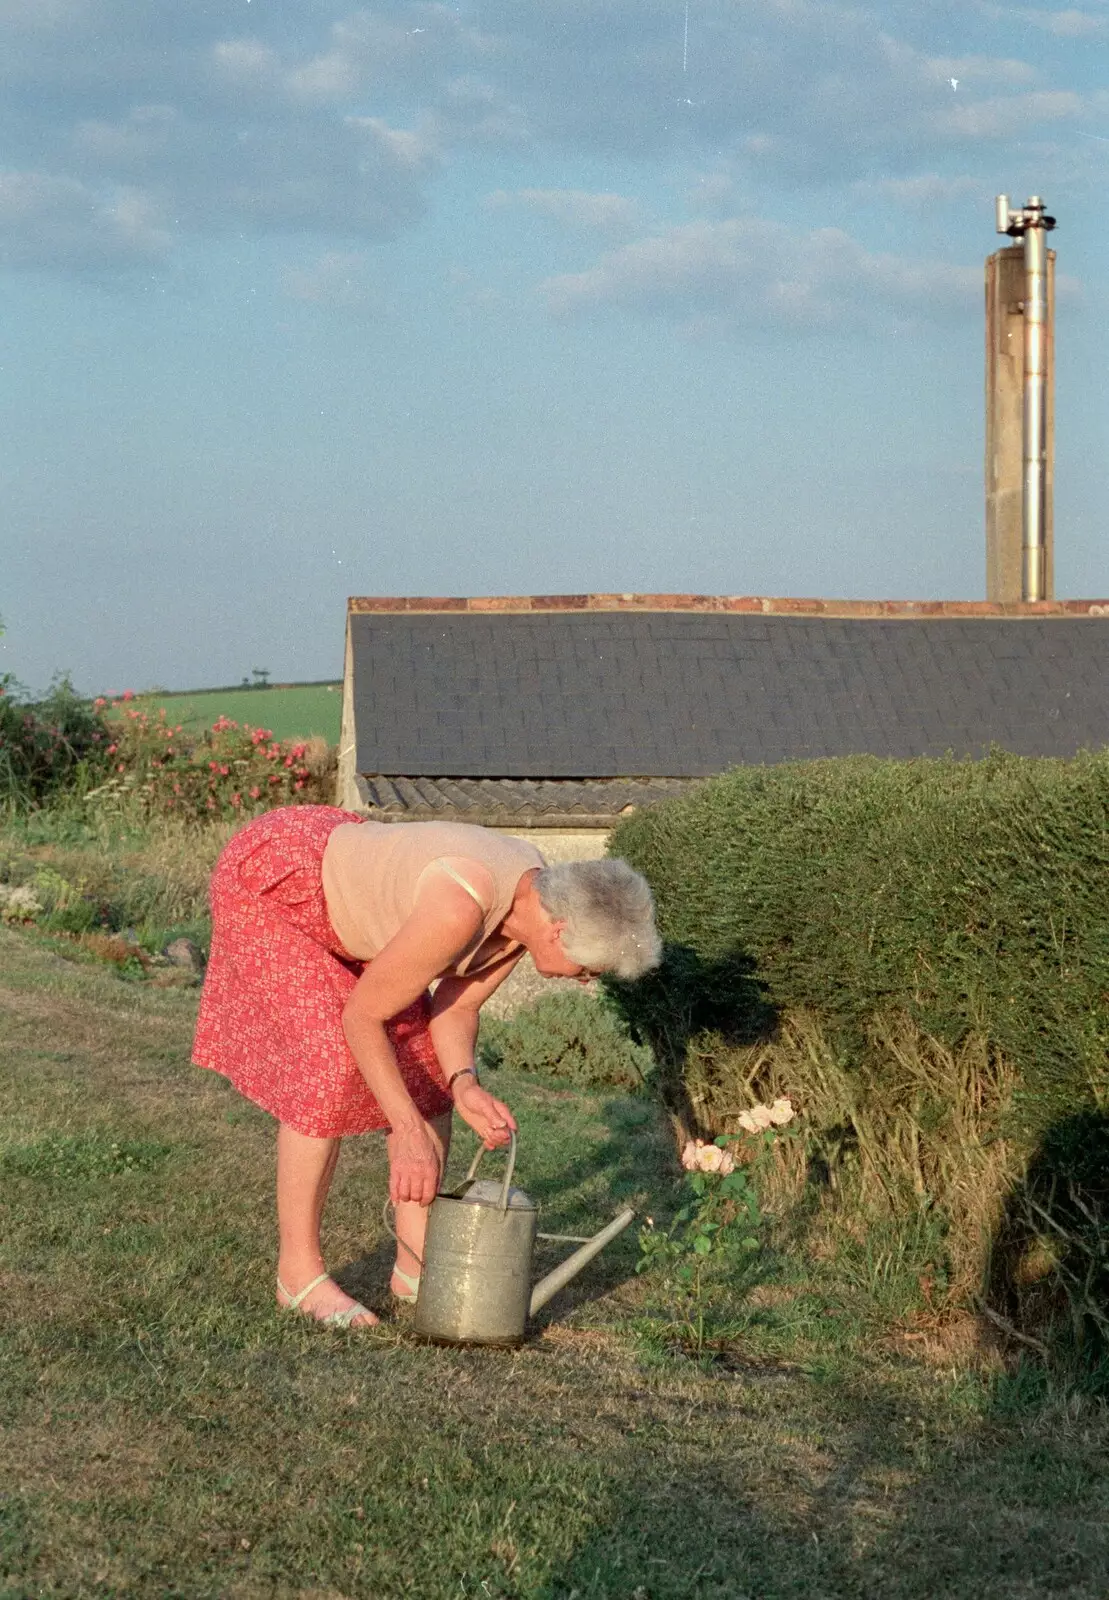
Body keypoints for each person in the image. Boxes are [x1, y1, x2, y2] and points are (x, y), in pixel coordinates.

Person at [192, 804, 661, 1327]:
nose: (586, 981)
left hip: (344, 884)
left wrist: (464, 1084)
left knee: (429, 1072)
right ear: (559, 930)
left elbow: (456, 1008)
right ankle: (297, 1277)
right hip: (280, 879)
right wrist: (408, 1129)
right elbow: (363, 1017)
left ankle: (415, 1264)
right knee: (326, 1066)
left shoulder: (533, 899)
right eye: (589, 968)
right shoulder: (460, 908)